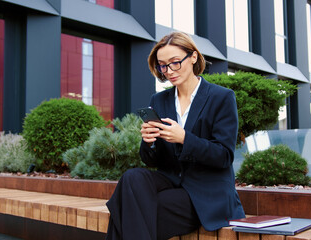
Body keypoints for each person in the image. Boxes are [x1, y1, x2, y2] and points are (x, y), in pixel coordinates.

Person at [105, 31, 245, 240]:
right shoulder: (160, 99)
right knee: (131, 178)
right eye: (163, 65)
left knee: (126, 210)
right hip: (171, 181)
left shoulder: (221, 97)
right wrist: (149, 141)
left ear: (194, 58)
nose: (169, 70)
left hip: (206, 192)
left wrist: (185, 138)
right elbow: (151, 160)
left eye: (175, 62)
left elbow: (224, 156)